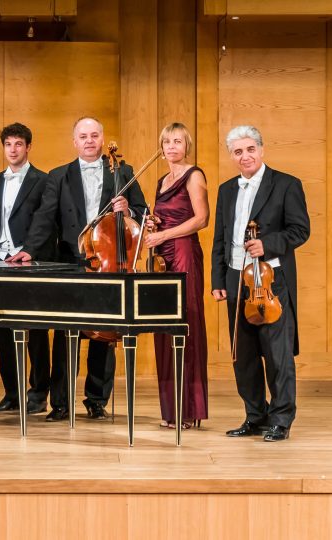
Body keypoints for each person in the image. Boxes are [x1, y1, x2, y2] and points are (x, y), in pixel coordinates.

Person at [10, 116, 148, 421]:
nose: (89, 141)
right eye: (83, 136)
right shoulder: (59, 176)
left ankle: (96, 399)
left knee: (104, 337)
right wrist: (29, 249)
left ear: (102, 139)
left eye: (94, 135)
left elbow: (143, 211)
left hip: (109, 264)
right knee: (65, 335)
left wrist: (129, 210)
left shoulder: (121, 172)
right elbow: (45, 217)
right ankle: (60, 402)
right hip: (72, 262)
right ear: (75, 142)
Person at [211, 125, 310, 442]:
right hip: (236, 279)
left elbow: (300, 230)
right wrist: (218, 279)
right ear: (232, 156)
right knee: (243, 355)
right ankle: (255, 416)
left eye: (250, 149)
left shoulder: (286, 184)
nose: (245, 156)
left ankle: (281, 419)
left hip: (271, 281)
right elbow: (220, 239)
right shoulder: (227, 189)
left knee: (277, 354)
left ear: (261, 150)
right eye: (238, 151)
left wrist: (267, 244)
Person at [0, 122, 54, 414]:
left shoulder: (43, 180)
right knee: (3, 329)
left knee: (35, 331)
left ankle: (38, 393)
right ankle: (11, 392)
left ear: (28, 147)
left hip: (28, 263)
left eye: (18, 144)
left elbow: (45, 222)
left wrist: (29, 250)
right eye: (8, 144)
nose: (12, 150)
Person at [144, 122, 209, 430]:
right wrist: (153, 224)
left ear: (187, 146)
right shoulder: (161, 180)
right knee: (164, 327)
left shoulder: (194, 175)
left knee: (186, 323)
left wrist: (164, 234)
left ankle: (189, 410)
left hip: (183, 253)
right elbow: (166, 217)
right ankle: (172, 410)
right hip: (163, 256)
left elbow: (201, 219)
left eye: (177, 141)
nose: (171, 146)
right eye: (167, 141)